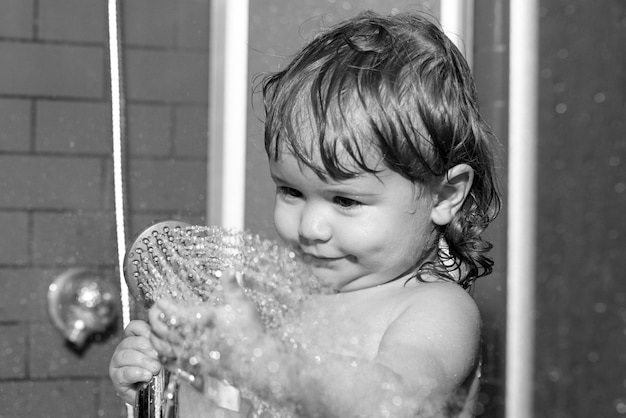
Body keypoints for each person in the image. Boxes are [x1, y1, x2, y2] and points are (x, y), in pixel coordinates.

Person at [110, 10, 501, 417]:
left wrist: (261, 361)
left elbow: (391, 406)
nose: (310, 228)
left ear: (445, 196)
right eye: (292, 191)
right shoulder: (296, 310)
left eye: (345, 201)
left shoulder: (436, 309)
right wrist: (163, 397)